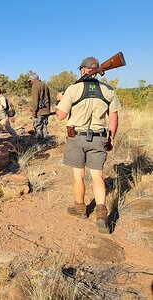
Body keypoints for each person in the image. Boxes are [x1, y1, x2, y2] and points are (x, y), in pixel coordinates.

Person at [56, 56, 121, 234]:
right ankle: (101, 214)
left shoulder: (73, 89)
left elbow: (60, 116)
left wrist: (60, 99)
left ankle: (80, 209)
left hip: (77, 138)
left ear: (84, 70)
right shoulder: (108, 90)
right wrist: (111, 138)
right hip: (100, 137)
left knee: (79, 176)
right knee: (98, 177)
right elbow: (114, 118)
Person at [27, 74, 51, 145]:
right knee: (44, 127)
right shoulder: (45, 85)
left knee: (38, 128)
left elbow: (35, 99)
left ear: (34, 79)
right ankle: (46, 143)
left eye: (30, 81)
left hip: (39, 111)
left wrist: (34, 111)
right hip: (46, 110)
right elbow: (48, 98)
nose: (30, 82)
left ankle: (40, 145)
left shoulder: (35, 86)